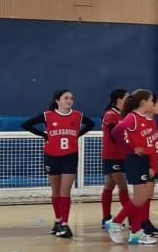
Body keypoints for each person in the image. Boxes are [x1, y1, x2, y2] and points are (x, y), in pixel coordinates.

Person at [22, 89, 91, 239]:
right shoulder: (48, 115)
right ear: (57, 101)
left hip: (70, 156)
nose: (69, 101)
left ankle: (65, 224)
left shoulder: (77, 116)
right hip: (52, 157)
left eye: (71, 98)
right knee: (56, 191)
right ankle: (57, 220)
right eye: (66, 98)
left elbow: (90, 124)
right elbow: (26, 124)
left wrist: (77, 134)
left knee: (65, 191)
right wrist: (43, 135)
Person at [110, 90, 158, 246]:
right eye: (152, 100)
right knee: (139, 198)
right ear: (143, 102)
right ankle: (115, 222)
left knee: (143, 198)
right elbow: (116, 131)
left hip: (143, 160)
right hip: (135, 160)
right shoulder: (132, 117)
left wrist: (152, 164)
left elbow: (151, 145)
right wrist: (130, 150)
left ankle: (136, 234)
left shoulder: (144, 118)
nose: (153, 103)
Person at [99, 87, 130, 235]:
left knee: (109, 186)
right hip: (112, 155)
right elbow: (113, 135)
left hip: (121, 155)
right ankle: (130, 217)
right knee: (123, 186)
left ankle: (105, 218)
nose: (129, 100)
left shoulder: (123, 114)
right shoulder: (111, 115)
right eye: (127, 97)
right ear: (119, 99)